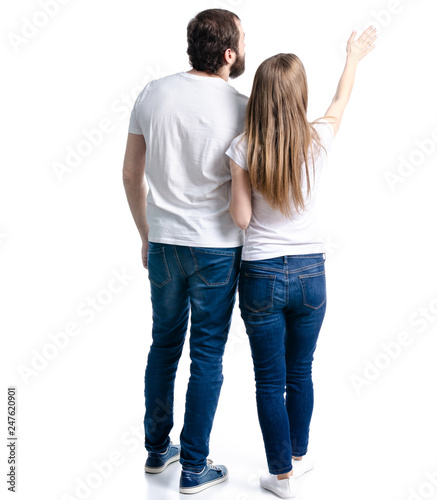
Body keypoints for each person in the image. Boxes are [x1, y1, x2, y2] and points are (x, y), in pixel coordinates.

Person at [225, 27, 377, 498]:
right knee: (301, 371)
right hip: (312, 275)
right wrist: (353, 56)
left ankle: (281, 477)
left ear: (261, 96)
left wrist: (238, 179)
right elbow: (341, 99)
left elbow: (242, 218)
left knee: (269, 380)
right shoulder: (318, 140)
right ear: (298, 95)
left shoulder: (244, 147)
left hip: (262, 274)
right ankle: (296, 459)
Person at [122, 8, 247, 495]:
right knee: (208, 355)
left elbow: (131, 174)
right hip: (217, 248)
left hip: (165, 245)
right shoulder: (242, 105)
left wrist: (145, 235)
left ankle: (158, 451)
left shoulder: (153, 93)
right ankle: (194, 467)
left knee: (164, 345)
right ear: (230, 52)